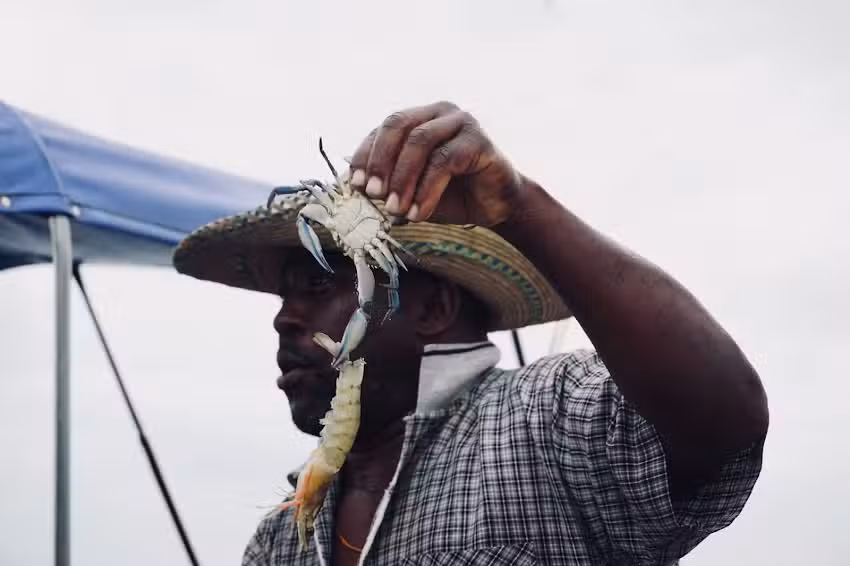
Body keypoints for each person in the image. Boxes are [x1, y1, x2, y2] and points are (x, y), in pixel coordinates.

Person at [173, 101, 768, 566]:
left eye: (320, 285)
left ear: (434, 307)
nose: (285, 317)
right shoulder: (281, 538)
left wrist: (518, 205)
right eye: (284, 295)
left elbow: (723, 421)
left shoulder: (545, 420)